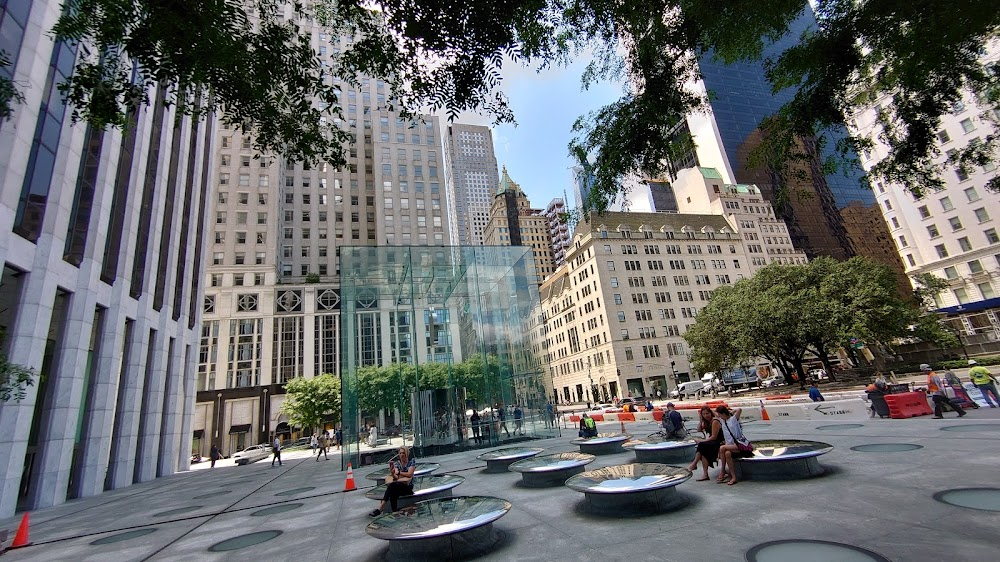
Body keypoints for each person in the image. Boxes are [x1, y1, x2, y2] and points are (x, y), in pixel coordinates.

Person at [369, 447, 417, 516]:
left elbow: (410, 474)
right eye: (400, 453)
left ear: (407, 454)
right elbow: (396, 477)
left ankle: (380, 508)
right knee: (393, 490)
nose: (401, 455)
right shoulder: (397, 463)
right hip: (398, 486)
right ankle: (394, 511)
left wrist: (399, 473)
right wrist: (392, 473)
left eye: (403, 453)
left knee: (393, 486)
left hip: (408, 487)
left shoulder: (411, 461)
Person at [687, 406, 724, 482]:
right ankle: (704, 474)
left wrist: (702, 441)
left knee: (701, 445)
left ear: (711, 413)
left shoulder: (715, 421)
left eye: (707, 413)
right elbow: (699, 429)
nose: (706, 415)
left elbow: (714, 437)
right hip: (712, 442)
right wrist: (701, 420)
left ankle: (694, 463)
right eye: (704, 414)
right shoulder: (707, 422)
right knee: (703, 449)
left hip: (719, 441)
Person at [715, 406, 749, 485]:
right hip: (730, 446)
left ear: (723, 413)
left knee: (722, 448)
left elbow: (739, 409)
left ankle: (722, 470)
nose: (719, 416)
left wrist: (730, 412)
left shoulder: (733, 419)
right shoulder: (723, 421)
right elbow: (715, 414)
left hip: (740, 444)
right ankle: (734, 477)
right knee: (727, 453)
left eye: (720, 414)